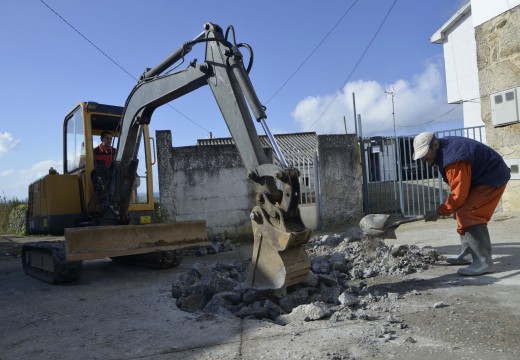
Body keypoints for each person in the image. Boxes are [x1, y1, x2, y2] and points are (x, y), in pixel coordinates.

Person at [413, 132, 510, 276]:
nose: (423, 158)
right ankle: (469, 254)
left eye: (425, 153)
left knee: (468, 213)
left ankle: (484, 262)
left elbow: (458, 196)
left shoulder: (453, 159)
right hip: (478, 178)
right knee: (460, 210)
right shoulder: (444, 152)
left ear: (435, 145)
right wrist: (448, 208)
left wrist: (439, 211)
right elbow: (459, 193)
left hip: (491, 177)